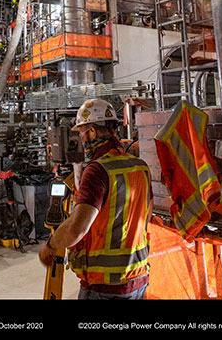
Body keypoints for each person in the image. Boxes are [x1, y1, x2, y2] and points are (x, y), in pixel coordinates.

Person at [39, 98, 153, 300]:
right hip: (139, 277)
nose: (82, 139)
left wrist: (51, 245)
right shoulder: (140, 166)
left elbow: (76, 228)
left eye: (82, 132)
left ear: (92, 131)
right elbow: (144, 218)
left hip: (106, 286)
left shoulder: (98, 171)